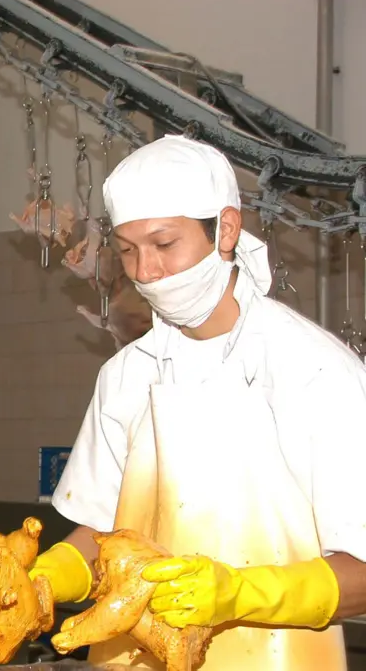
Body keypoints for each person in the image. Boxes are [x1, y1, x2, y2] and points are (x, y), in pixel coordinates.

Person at [29, 134, 366, 669]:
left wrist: (241, 595)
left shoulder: (314, 371)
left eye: (164, 244)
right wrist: (53, 574)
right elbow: (106, 533)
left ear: (226, 229)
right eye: (127, 249)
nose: (145, 271)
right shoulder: (125, 376)